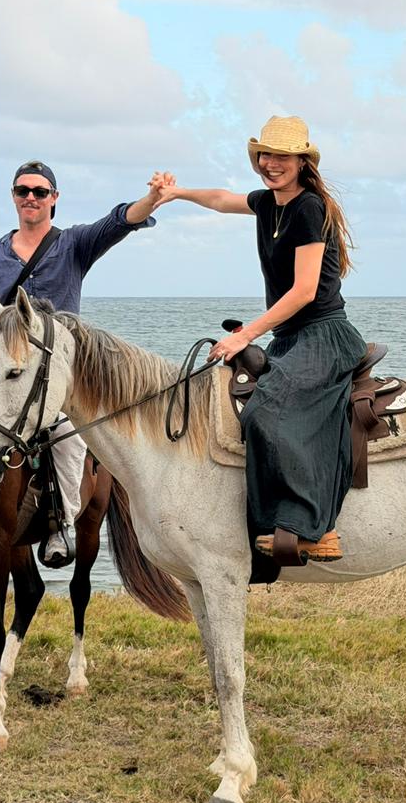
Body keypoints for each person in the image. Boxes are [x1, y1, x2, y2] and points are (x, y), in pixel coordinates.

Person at [0, 161, 173, 565]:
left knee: (69, 431)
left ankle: (60, 523)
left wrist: (150, 200)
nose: (31, 198)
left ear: (54, 199)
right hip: (3, 364)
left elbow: (116, 224)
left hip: (54, 367)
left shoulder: (73, 244)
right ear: (13, 197)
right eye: (23, 190)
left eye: (40, 192)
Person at [153, 116, 366, 563]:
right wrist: (176, 194)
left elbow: (305, 291)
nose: (271, 164)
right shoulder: (270, 203)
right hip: (292, 336)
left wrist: (246, 334)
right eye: (265, 155)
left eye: (282, 156)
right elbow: (221, 199)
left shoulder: (309, 208)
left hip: (324, 335)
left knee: (268, 410)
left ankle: (315, 529)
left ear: (302, 161)